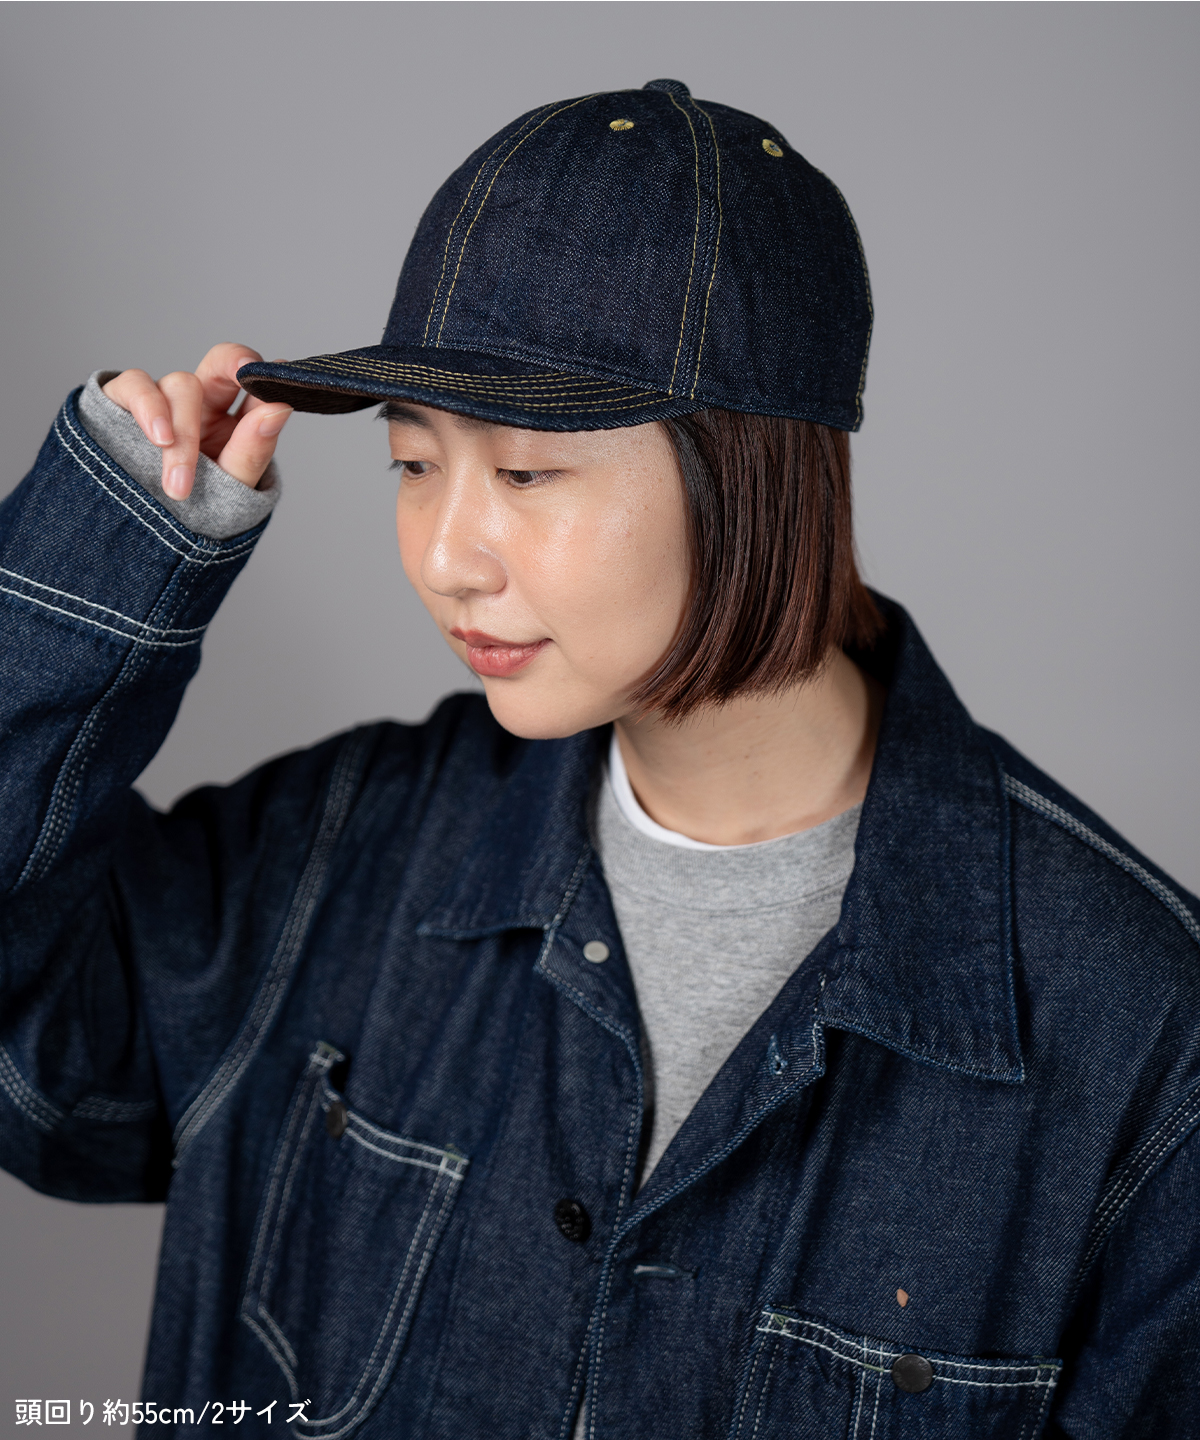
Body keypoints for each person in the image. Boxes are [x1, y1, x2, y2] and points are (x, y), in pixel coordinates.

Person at [0, 77, 1196, 1440]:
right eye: (411, 467)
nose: (445, 558)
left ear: (751, 472)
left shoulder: (1137, 1032)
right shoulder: (342, 849)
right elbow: (44, 1081)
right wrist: (95, 570)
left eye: (524, 475)